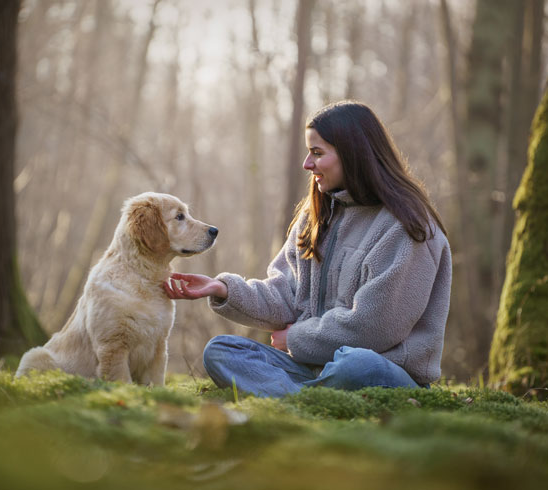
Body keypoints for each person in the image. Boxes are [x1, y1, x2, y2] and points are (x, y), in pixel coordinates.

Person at [164, 101, 452, 397]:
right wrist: (223, 289)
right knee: (222, 350)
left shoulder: (408, 227)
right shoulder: (315, 216)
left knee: (356, 364)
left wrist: (296, 338)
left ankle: (292, 396)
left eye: (317, 153)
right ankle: (309, 398)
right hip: (309, 367)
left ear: (353, 154)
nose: (307, 164)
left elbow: (373, 327)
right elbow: (286, 297)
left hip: (382, 370)